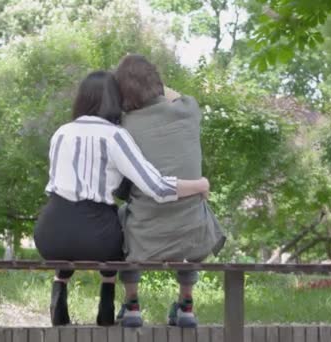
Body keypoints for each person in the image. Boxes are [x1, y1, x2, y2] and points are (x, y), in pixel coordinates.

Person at [33, 70, 211, 327]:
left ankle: (59, 291)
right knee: (121, 228)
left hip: (49, 236)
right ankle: (106, 304)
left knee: (70, 230)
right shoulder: (116, 136)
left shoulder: (60, 133)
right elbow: (157, 188)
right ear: (115, 101)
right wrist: (199, 184)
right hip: (97, 240)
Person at [113, 55, 226, 328]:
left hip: (145, 234)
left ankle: (132, 304)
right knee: (197, 209)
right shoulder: (189, 110)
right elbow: (173, 94)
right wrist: (157, 84)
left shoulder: (124, 126)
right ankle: (186, 304)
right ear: (158, 82)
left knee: (119, 217)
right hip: (191, 231)